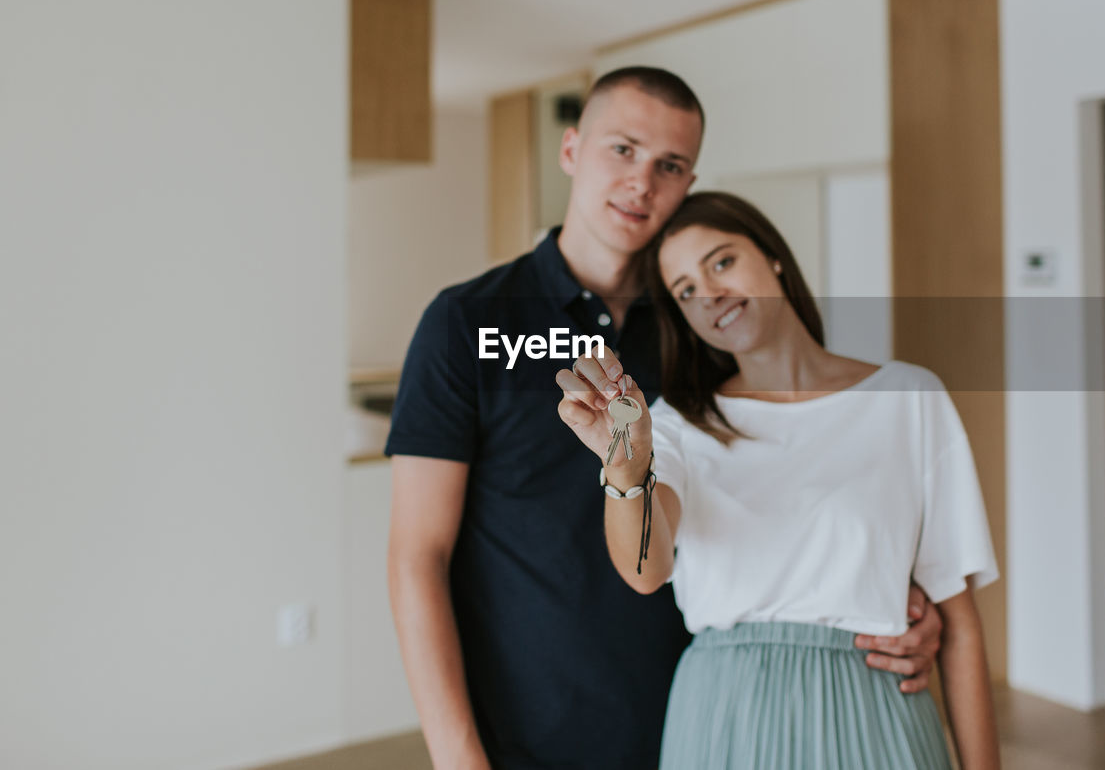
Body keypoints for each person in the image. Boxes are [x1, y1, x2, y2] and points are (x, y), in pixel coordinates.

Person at [386, 68, 943, 770]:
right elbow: (417, 555)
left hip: (705, 717)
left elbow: (797, 480)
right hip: (525, 732)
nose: (642, 182)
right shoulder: (468, 321)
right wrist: (456, 754)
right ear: (571, 151)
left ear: (688, 182)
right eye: (622, 149)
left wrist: (904, 607)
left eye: (669, 165)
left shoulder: (704, 327)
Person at [556, 191, 1001, 768]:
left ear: (773, 257)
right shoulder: (672, 424)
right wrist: (624, 464)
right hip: (724, 716)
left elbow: (959, 621)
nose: (711, 294)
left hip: (873, 709)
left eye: (721, 262)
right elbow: (646, 570)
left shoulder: (909, 397)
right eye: (686, 290)